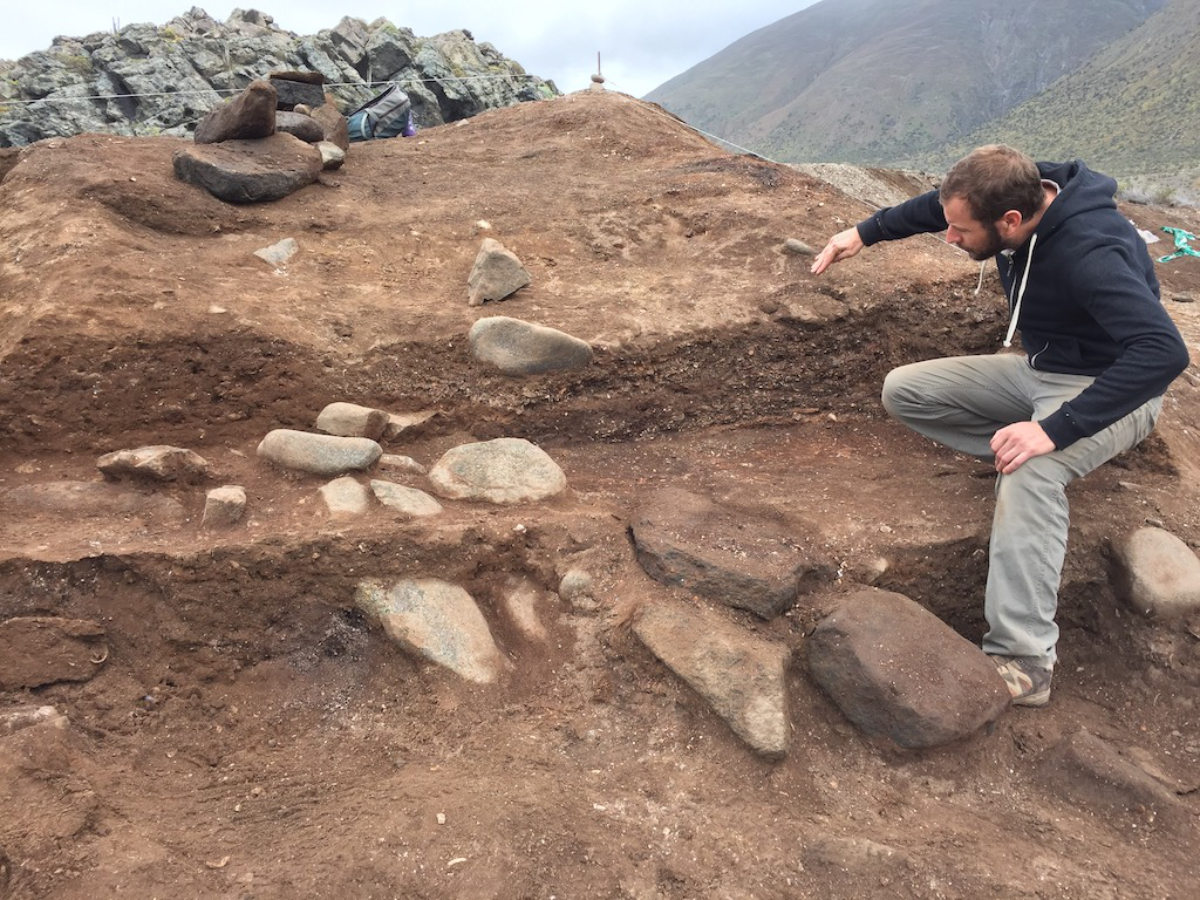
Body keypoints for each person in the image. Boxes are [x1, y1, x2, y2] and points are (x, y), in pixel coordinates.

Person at [811, 144, 1189, 707]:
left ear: (1010, 221)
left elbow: (1163, 352)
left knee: (1031, 471)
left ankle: (1025, 659)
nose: (949, 238)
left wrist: (1053, 432)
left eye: (962, 231)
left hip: (1111, 389)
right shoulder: (1014, 193)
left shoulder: (1091, 251)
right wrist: (863, 233)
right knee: (906, 390)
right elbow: (937, 211)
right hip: (1041, 372)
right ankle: (1024, 453)